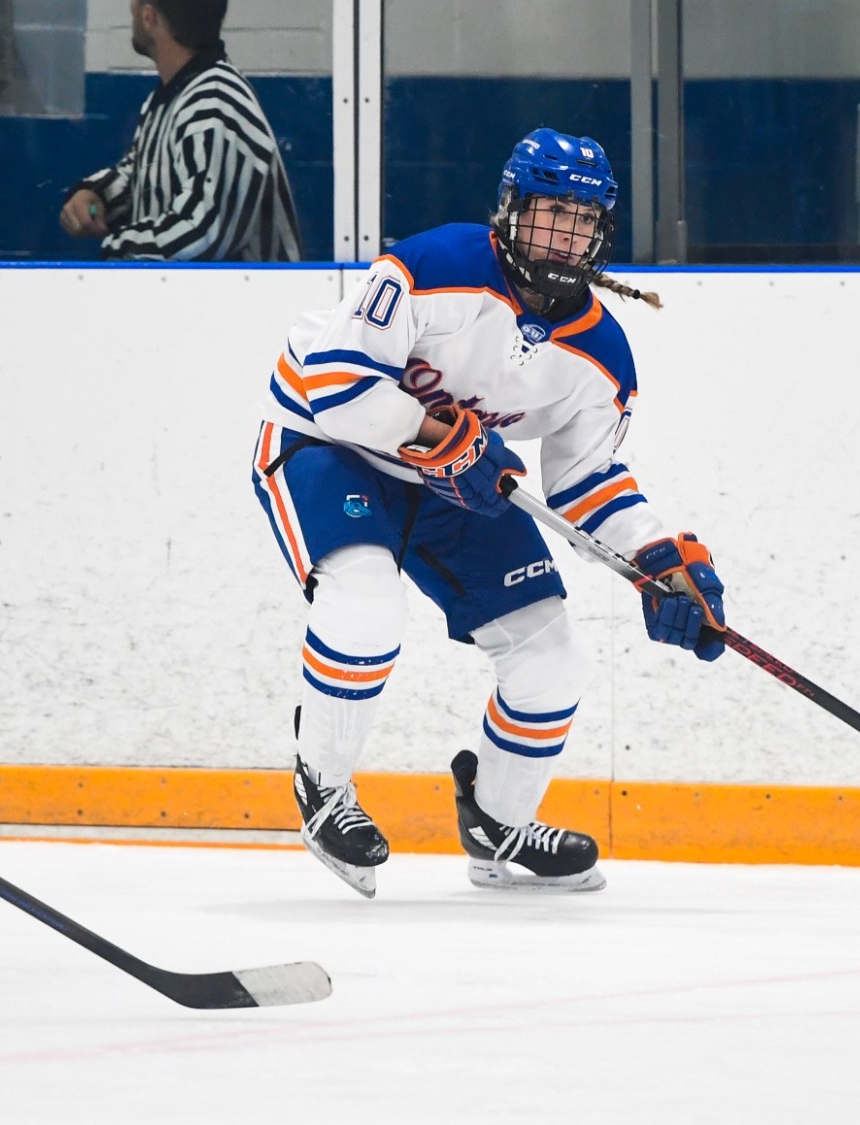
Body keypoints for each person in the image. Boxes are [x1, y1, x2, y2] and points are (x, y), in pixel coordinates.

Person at [250, 128, 725, 897]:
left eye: (581, 219)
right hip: (327, 442)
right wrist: (444, 437)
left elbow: (587, 480)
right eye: (548, 212)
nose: (562, 234)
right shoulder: (433, 265)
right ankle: (324, 784)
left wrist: (658, 556)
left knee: (549, 650)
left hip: (451, 479)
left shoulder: (602, 354)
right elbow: (335, 381)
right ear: (509, 209)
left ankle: (497, 821)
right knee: (366, 608)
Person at [60, 0, 301, 261]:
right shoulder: (172, 97)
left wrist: (115, 249)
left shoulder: (216, 103)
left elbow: (200, 235)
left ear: (149, 17)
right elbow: (139, 177)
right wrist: (95, 196)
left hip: (245, 301)